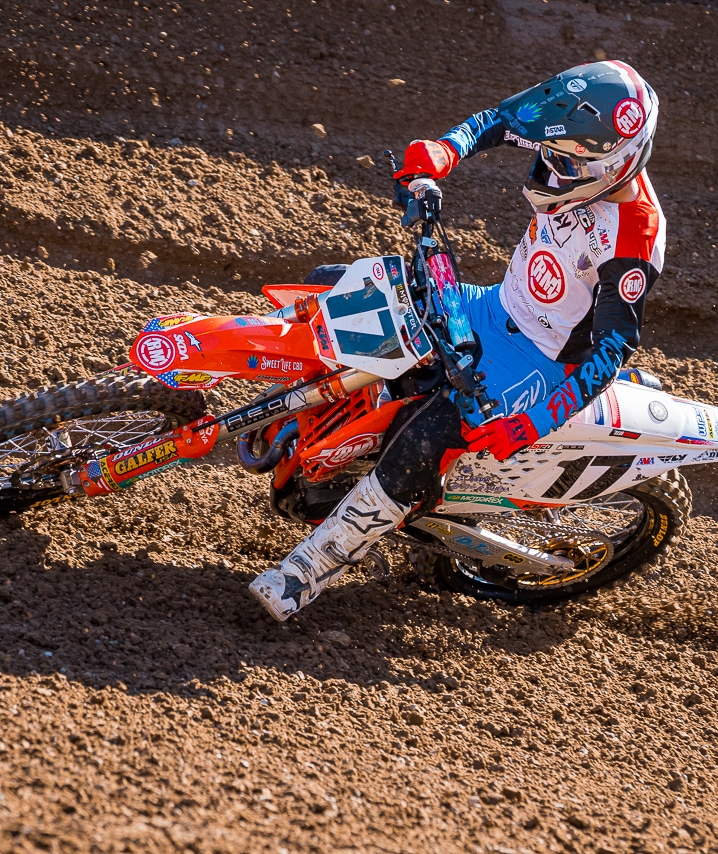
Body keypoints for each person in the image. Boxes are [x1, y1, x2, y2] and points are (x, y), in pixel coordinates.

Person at [249, 60, 665, 621]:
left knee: (429, 436)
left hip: (540, 360)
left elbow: (613, 350)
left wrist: (536, 421)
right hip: (493, 306)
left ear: (610, 166)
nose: (549, 165)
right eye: (548, 151)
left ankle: (306, 573)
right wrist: (444, 153)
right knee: (340, 285)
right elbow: (501, 120)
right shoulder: (577, 133)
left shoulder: (633, 238)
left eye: (564, 162)